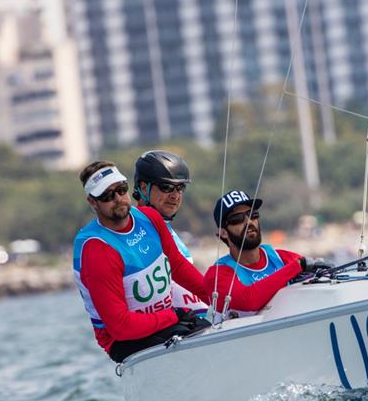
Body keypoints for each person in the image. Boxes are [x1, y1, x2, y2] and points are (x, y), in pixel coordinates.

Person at [73, 161, 210, 363]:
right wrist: (172, 316)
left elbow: (178, 266)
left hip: (164, 322)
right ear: (93, 202)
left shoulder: (149, 217)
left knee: (211, 327)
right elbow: (121, 327)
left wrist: (221, 297)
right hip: (126, 340)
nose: (118, 199)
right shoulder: (98, 250)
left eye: (121, 190)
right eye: (107, 196)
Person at [205, 189, 332, 318]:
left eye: (252, 214)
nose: (249, 222)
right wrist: (297, 266)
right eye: (237, 219)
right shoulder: (216, 275)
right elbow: (249, 300)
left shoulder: (281, 258)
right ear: (223, 233)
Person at [133, 149, 208, 316]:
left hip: (199, 326)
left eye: (180, 188)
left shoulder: (165, 228)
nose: (175, 195)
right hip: (176, 334)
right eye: (166, 187)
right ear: (144, 188)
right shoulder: (137, 229)